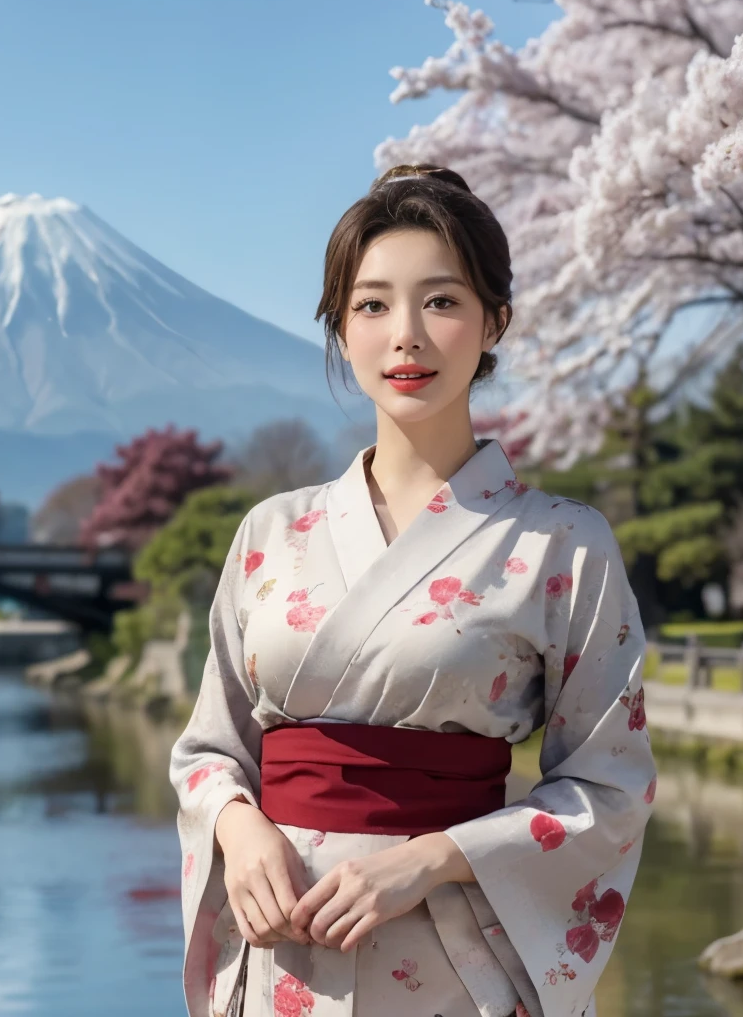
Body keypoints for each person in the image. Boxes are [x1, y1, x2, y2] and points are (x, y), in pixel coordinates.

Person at [169, 163, 655, 1017]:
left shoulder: (563, 543)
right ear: (339, 328)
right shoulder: (270, 534)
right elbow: (210, 750)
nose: (406, 336)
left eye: (440, 301)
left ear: (494, 320)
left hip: (453, 956)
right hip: (282, 953)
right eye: (371, 305)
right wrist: (238, 830)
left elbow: (609, 786)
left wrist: (431, 858)